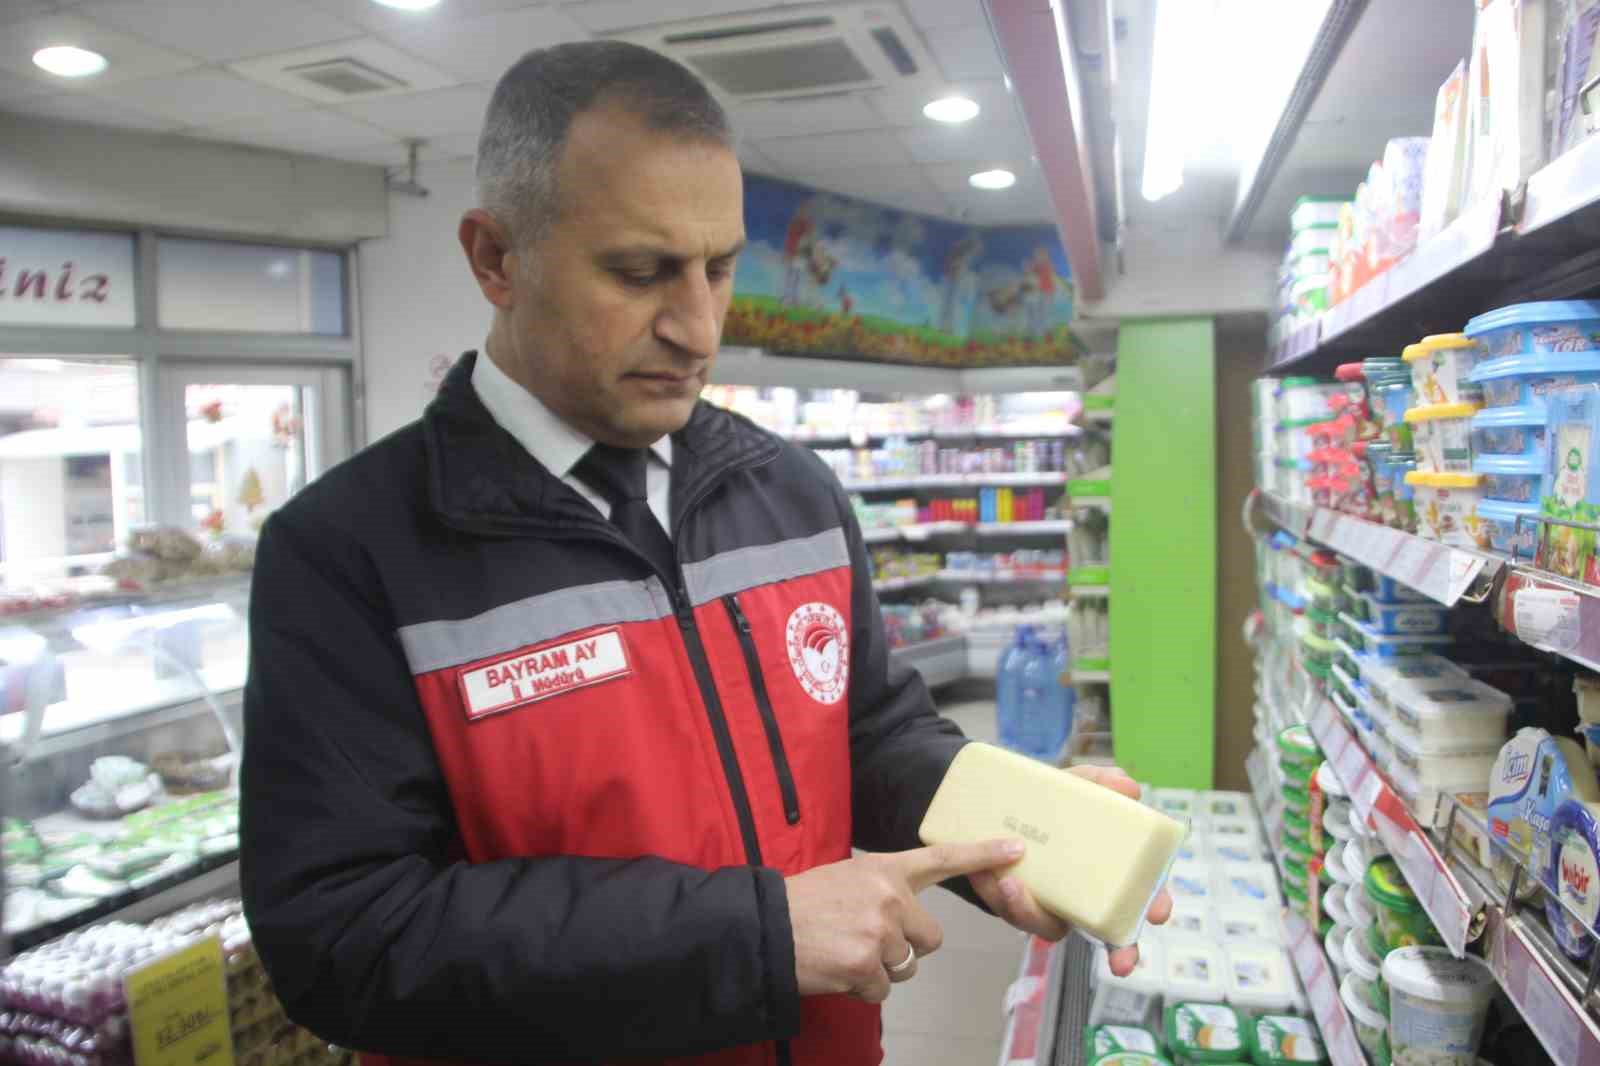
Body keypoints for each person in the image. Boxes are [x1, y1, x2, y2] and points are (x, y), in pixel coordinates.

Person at [239, 40, 1167, 1066]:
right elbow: (342, 937)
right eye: (640, 273)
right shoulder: (345, 554)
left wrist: (1003, 827)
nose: (695, 327)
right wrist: (753, 933)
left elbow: (863, 729)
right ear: (495, 257)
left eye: (719, 269)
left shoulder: (794, 493)